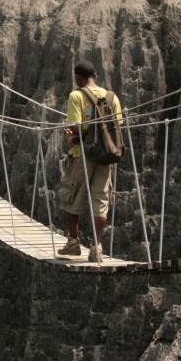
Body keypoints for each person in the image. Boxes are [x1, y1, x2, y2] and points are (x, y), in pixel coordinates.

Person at [57, 61, 123, 263]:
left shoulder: (76, 96)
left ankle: (73, 242)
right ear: (95, 75)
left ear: (78, 77)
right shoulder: (112, 97)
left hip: (82, 154)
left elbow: (75, 127)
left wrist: (68, 133)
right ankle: (97, 246)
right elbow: (118, 125)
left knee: (72, 195)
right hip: (106, 156)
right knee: (101, 200)